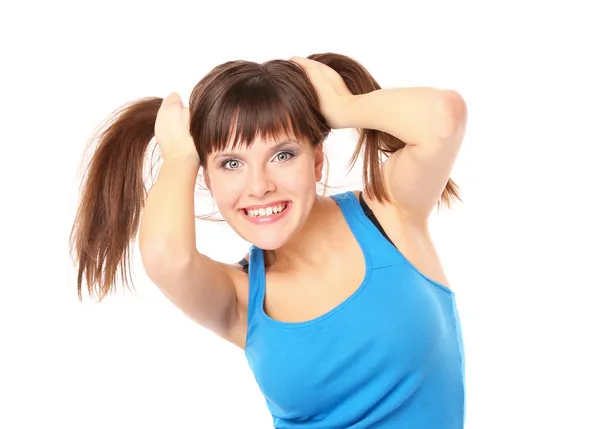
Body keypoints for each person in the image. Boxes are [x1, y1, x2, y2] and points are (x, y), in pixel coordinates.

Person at [70, 52, 468, 428]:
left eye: (282, 155)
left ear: (316, 160)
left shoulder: (388, 213)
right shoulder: (240, 297)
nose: (259, 186)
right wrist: (180, 157)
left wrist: (343, 107)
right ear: (206, 179)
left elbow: (443, 117)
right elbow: (165, 256)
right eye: (230, 164)